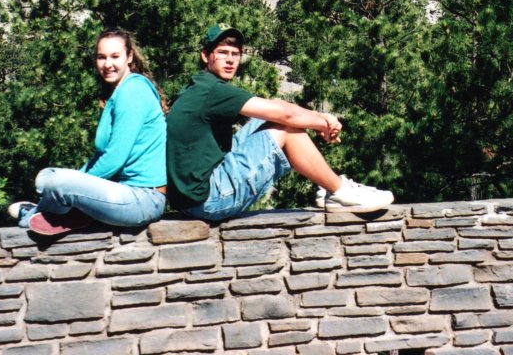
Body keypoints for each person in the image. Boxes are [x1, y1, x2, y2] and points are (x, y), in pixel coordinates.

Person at [165, 24, 394, 222]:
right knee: (286, 128)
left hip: (192, 197)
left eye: (236, 54)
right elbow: (287, 116)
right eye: (223, 53)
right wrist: (323, 123)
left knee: (271, 115)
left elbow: (276, 107)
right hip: (208, 200)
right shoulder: (212, 90)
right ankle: (339, 191)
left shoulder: (200, 86)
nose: (230, 60)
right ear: (206, 56)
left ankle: (329, 187)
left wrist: (320, 116)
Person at [8, 28, 167, 237]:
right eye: (102, 57)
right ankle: (67, 212)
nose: (107, 64)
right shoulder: (120, 92)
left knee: (54, 182)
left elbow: (114, 159)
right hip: (121, 192)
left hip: (143, 199)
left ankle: (35, 213)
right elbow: (99, 158)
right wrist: (76, 184)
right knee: (48, 178)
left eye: (115, 56)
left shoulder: (132, 91)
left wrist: (73, 186)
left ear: (129, 57)